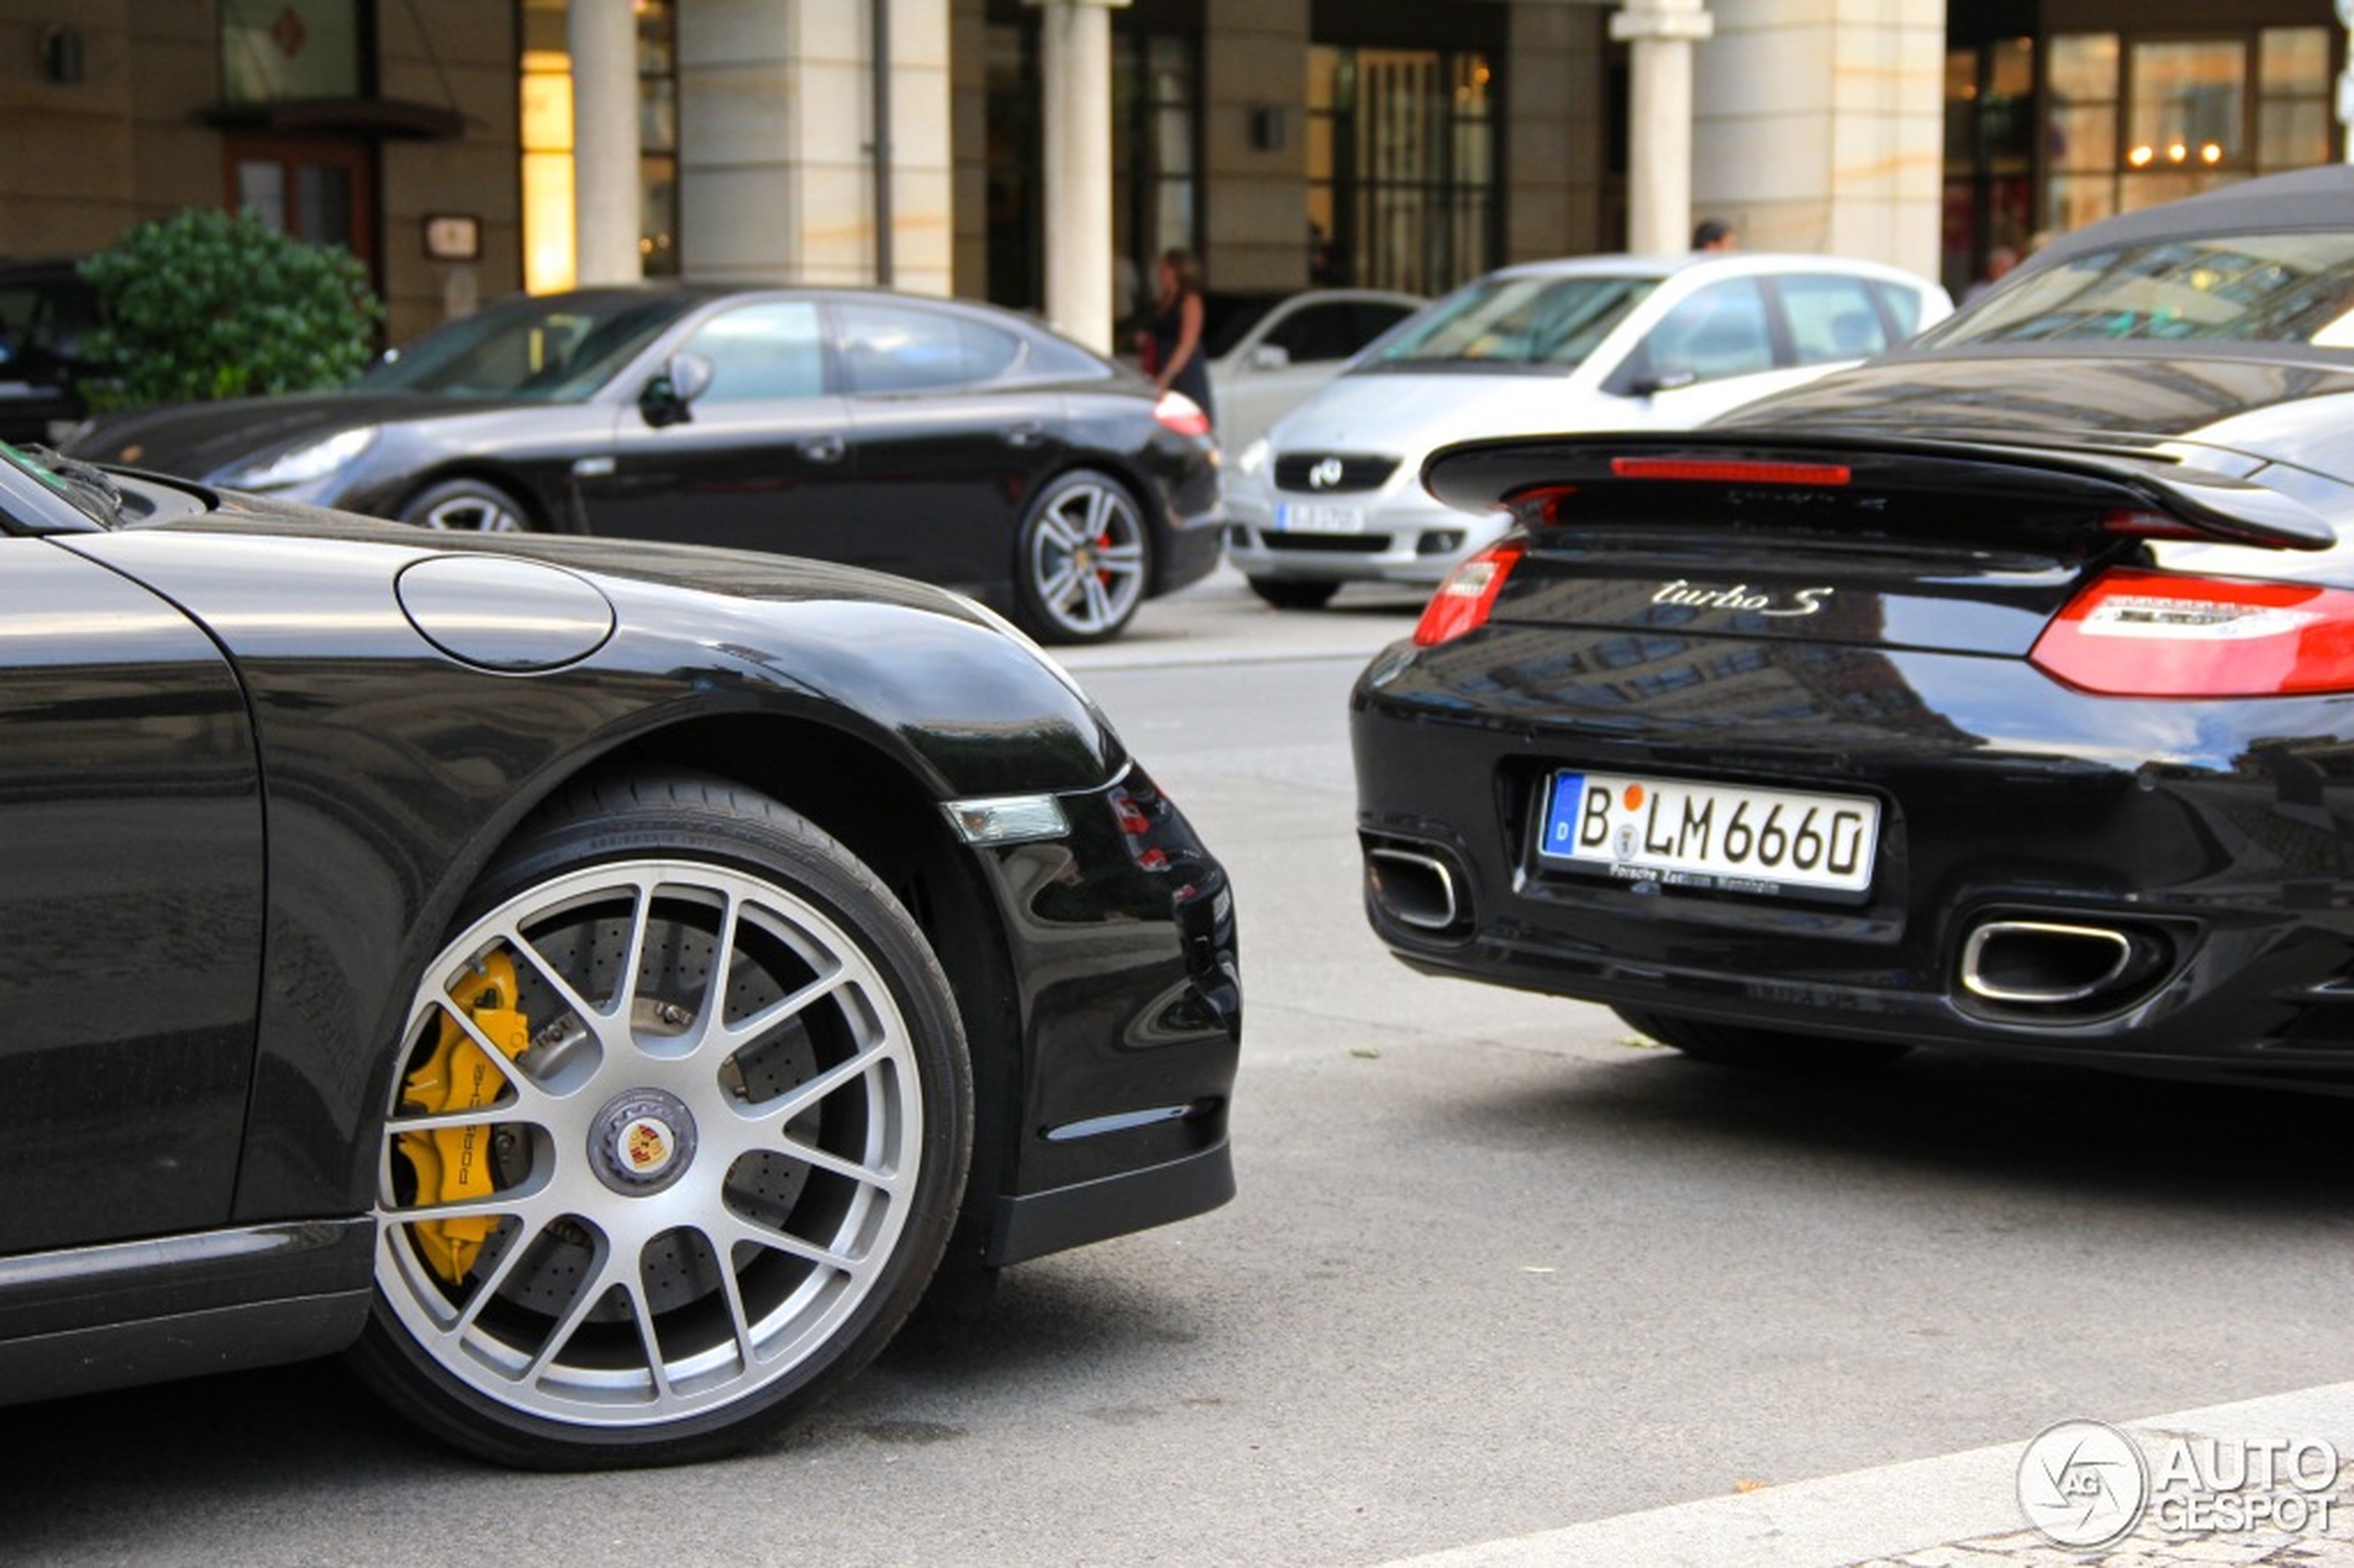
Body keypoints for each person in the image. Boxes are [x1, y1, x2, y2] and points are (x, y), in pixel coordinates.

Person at [1141, 247, 1214, 426]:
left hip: (1183, 372)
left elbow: (1186, 344)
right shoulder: (1163, 300)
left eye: (1165, 268)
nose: (1160, 273)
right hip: (1160, 363)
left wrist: (1165, 378)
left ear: (1176, 271)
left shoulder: (1190, 301)